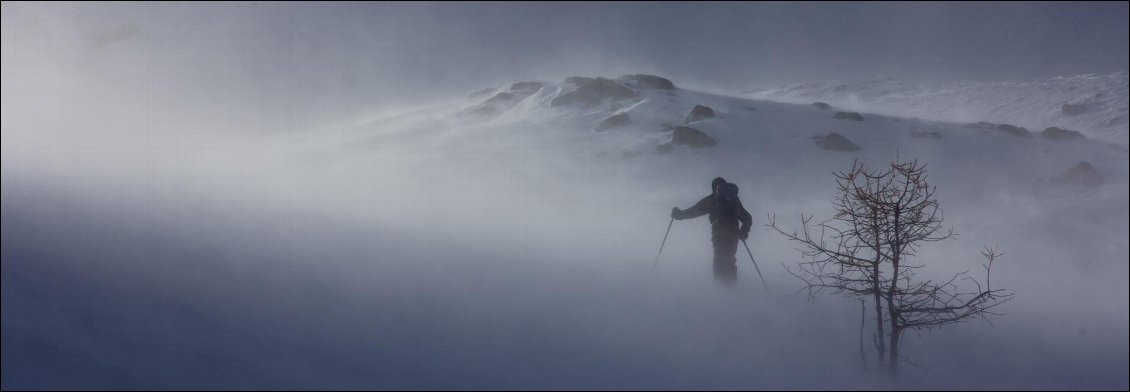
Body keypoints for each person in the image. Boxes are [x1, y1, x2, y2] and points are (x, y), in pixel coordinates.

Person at [671, 177, 752, 285]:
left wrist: (679, 215)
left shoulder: (713, 198)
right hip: (733, 231)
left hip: (719, 230)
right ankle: (731, 287)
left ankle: (720, 288)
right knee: (729, 257)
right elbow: (748, 218)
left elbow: (694, 211)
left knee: (719, 257)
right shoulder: (735, 201)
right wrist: (744, 232)